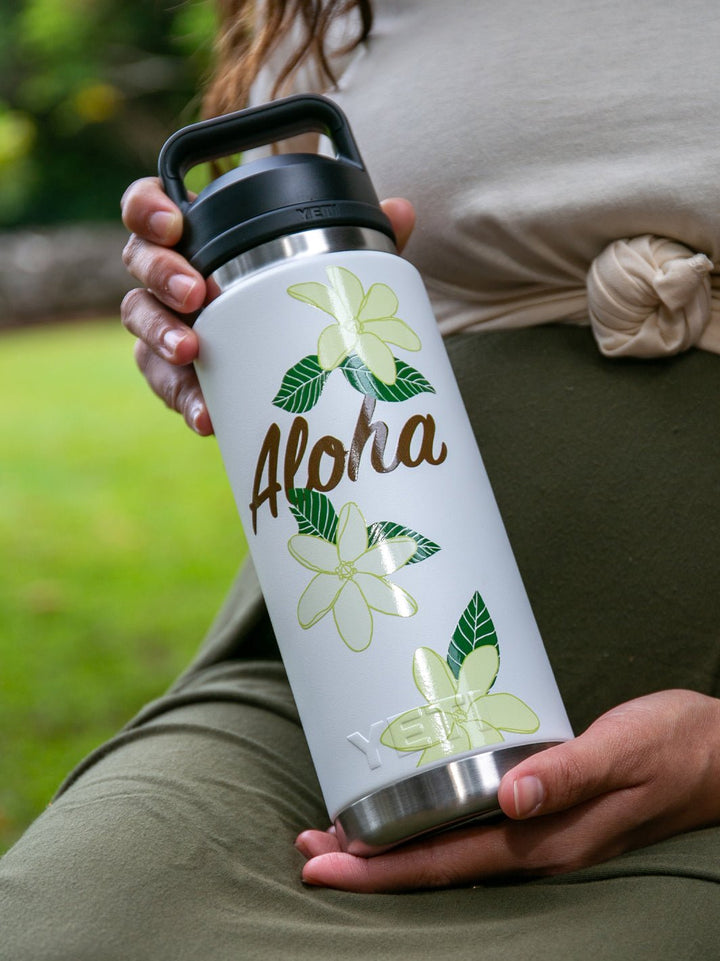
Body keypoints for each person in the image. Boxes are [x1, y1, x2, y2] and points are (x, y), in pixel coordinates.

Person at [2, 1, 720, 957]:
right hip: (328, 705)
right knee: (60, 923)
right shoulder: (314, 13)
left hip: (700, 745)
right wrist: (193, 313)